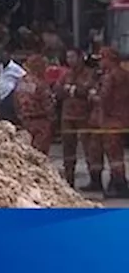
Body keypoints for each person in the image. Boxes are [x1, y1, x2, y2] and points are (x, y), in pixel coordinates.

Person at [57, 48, 96, 187]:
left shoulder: (89, 74)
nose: (69, 60)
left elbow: (88, 90)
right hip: (67, 116)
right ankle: (69, 180)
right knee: (68, 149)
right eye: (68, 57)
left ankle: (94, 180)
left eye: (72, 57)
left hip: (84, 116)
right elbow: (58, 91)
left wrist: (72, 90)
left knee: (89, 148)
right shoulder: (65, 75)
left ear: (81, 57)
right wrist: (74, 90)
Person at [94, 46, 129, 198]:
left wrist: (93, 96)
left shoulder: (110, 77)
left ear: (109, 59)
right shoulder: (125, 74)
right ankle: (119, 182)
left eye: (102, 59)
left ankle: (119, 183)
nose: (100, 62)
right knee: (118, 155)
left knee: (114, 155)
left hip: (111, 120)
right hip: (123, 118)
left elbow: (104, 98)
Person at [15, 54, 56, 154]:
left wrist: (20, 115)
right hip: (41, 121)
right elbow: (47, 104)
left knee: (27, 151)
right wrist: (52, 118)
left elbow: (15, 100)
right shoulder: (41, 84)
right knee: (40, 153)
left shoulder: (21, 82)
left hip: (24, 121)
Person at [0, 48, 26, 124]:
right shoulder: (1, 67)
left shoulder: (14, 68)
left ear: (9, 56)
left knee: (6, 117)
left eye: (5, 56)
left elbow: (24, 76)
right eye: (1, 56)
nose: (3, 58)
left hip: (10, 95)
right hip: (2, 95)